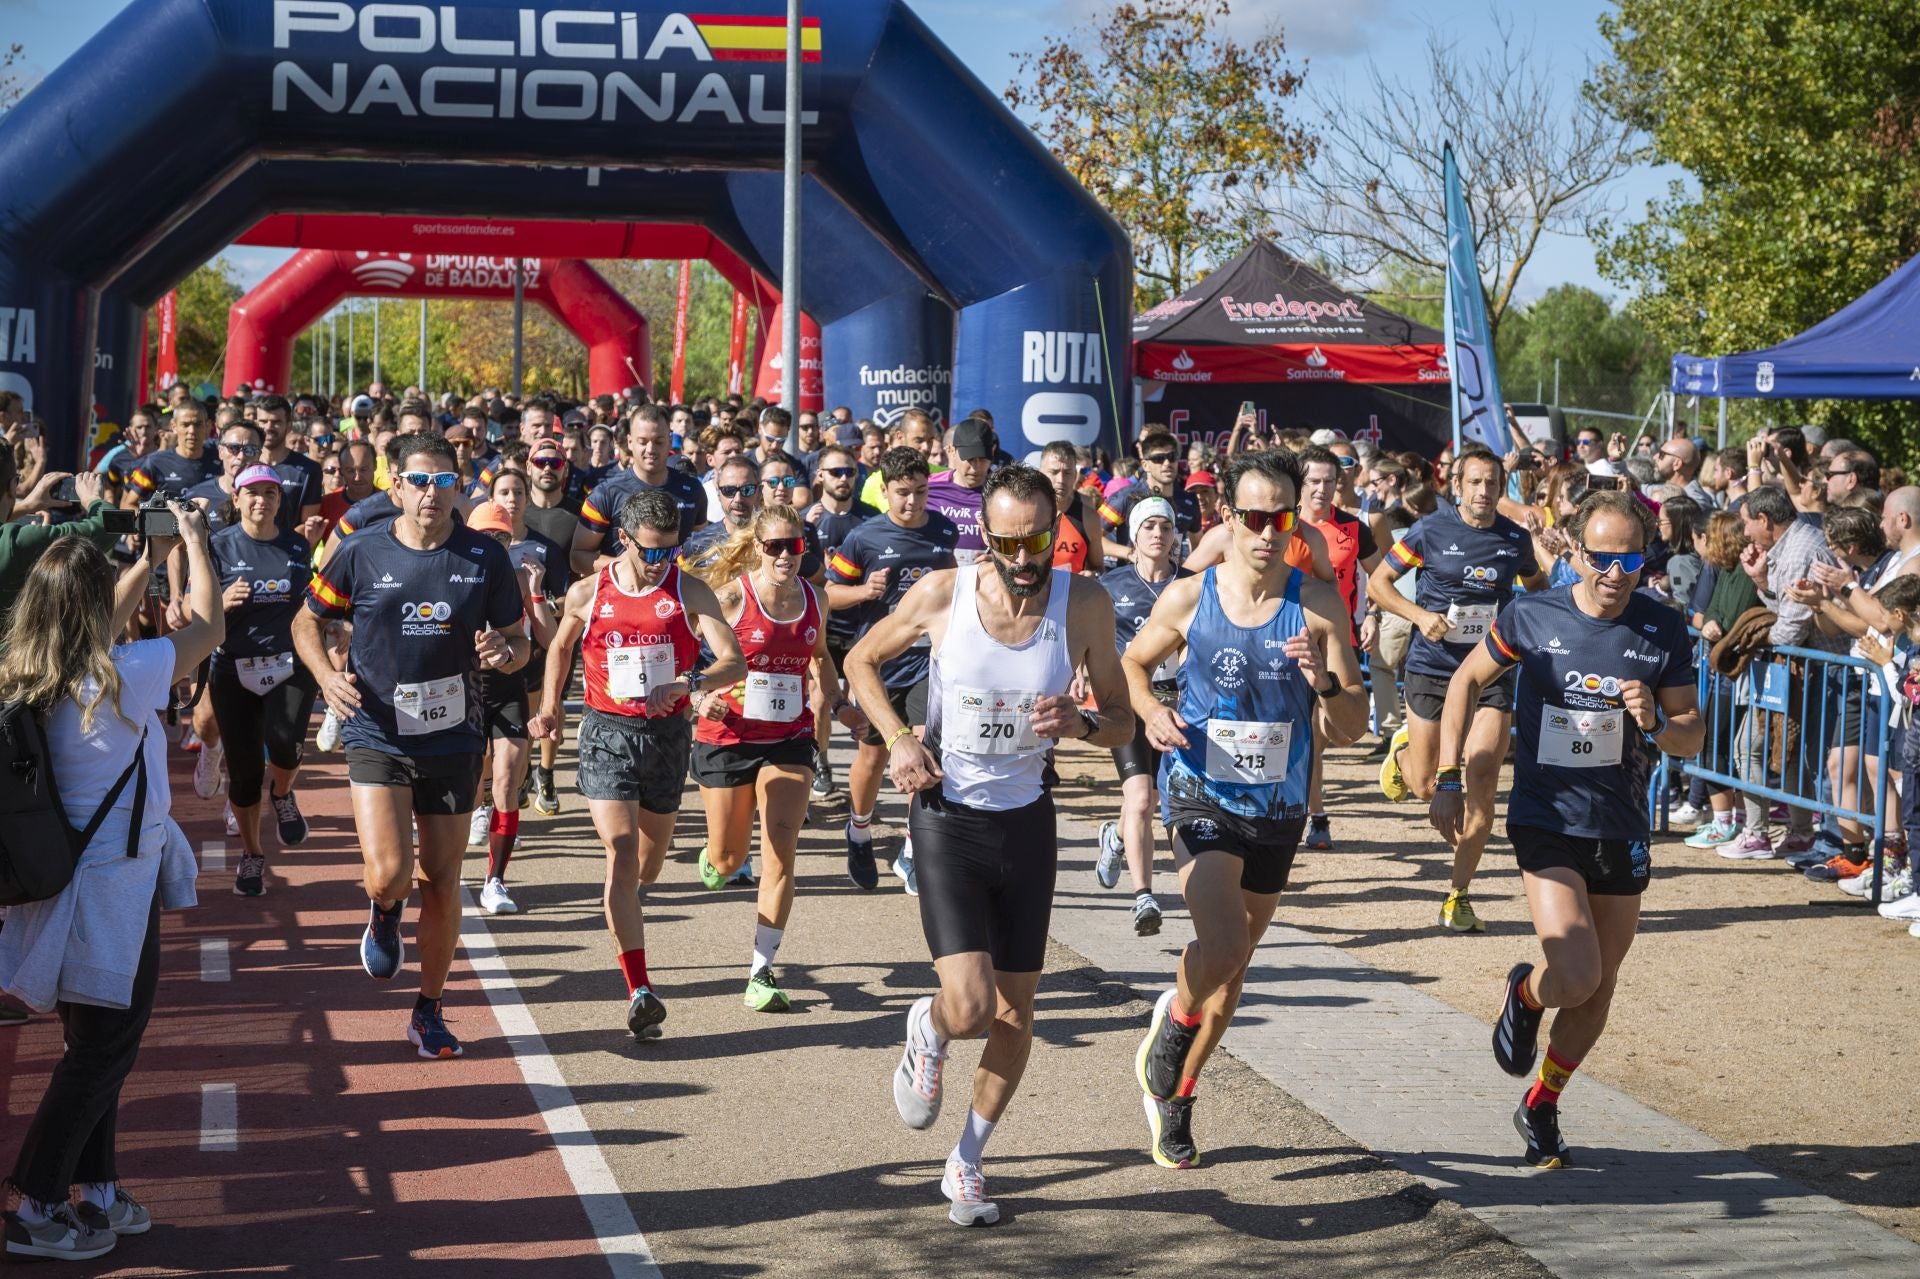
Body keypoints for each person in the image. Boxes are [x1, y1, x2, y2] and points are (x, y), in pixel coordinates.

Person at [846, 464, 1134, 1226]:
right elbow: (859, 661)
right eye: (1006, 539)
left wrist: (1084, 725)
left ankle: (967, 1160)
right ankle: (929, 1027)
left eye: (1036, 537)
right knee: (970, 1005)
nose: (1023, 555)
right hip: (948, 815)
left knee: (1014, 1015)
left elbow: (1123, 721)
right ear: (984, 533)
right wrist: (900, 737)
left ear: (1056, 526)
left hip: (1028, 823)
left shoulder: (1086, 603)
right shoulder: (945, 595)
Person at [1430, 489, 1702, 1169]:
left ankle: (1542, 1104)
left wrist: (1659, 723)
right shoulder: (1532, 613)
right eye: (1602, 557)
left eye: (1631, 558)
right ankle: (1526, 992)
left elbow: (1692, 736)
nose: (1615, 573)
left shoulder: (1662, 628)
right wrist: (1446, 774)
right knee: (1575, 970)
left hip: (1622, 820)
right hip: (1547, 816)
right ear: (1575, 552)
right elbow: (1464, 681)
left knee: (1598, 987)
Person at [1120, 451, 1368, 1171]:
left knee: (1235, 965)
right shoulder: (1190, 597)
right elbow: (1135, 665)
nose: (1266, 531)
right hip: (1200, 789)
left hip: (1279, 806)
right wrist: (1152, 710)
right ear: (1226, 517)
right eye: (1253, 516)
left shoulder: (1319, 605)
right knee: (1222, 943)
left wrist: (1324, 685)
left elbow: (1351, 726)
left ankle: (1180, 1091)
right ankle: (1175, 1016)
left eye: (1280, 517)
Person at [0, 514, 220, 1261]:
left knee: (95, 1040)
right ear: (94, 609)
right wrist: (189, 542)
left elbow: (103, 615)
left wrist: (145, 559)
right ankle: (33, 1201)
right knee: (103, 1050)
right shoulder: (121, 674)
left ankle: (95, 1188)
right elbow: (210, 628)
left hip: (66, 880)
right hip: (111, 893)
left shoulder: (35, 669)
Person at [294, 433, 529, 1060]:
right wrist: (323, 677)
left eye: (444, 481)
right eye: (419, 480)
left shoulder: (484, 557)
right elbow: (306, 619)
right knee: (391, 872)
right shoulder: (361, 551)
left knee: (445, 878)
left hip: (454, 735)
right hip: (376, 729)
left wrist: (506, 652)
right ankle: (383, 909)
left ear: (459, 487)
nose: (431, 492)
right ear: (395, 486)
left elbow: (518, 640)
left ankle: (429, 1010)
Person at [530, 491, 744, 1038]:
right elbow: (559, 647)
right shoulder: (589, 591)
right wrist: (552, 707)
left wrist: (687, 683)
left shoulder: (687, 589)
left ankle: (628, 901)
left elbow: (732, 661)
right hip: (606, 733)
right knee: (621, 851)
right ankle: (640, 989)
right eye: (652, 553)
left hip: (667, 737)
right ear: (623, 541)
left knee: (646, 866)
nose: (661, 563)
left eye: (670, 552)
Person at [685, 506, 866, 1011]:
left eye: (795, 545)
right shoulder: (731, 597)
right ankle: (714, 857)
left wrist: (842, 705)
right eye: (775, 546)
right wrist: (699, 697)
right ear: (758, 548)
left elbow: (821, 657)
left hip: (789, 737)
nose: (786, 554)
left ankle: (761, 972)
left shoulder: (817, 599)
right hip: (728, 732)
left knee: (781, 853)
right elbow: (684, 653)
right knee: (727, 860)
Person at [1369, 445, 1545, 931]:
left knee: (1484, 773)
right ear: (1457, 486)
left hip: (1490, 670)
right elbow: (1379, 584)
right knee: (1430, 786)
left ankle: (1458, 894)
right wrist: (1421, 617)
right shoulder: (1431, 530)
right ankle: (1404, 756)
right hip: (1433, 668)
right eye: (1475, 483)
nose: (1485, 492)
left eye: (1492, 483)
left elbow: (1536, 584)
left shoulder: (1513, 539)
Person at [827, 447, 960, 892]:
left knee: (925, 749)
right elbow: (829, 593)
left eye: (921, 492)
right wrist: (865, 591)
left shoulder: (943, 530)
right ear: (884, 491)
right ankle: (859, 829)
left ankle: (912, 848)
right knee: (874, 755)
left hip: (928, 661)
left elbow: (951, 583)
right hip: (878, 664)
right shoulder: (864, 537)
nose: (913, 502)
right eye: (903, 493)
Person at [206, 466, 322, 897]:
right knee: (243, 772)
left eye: (270, 493)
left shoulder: (296, 545)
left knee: (287, 745)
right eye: (252, 493)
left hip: (289, 664)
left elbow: (310, 602)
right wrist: (220, 601)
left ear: (279, 499)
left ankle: (284, 792)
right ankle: (252, 854)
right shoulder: (217, 546)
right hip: (233, 668)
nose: (262, 501)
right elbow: (192, 611)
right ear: (236, 499)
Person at [465, 485, 563, 916]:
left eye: (501, 539)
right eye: (485, 538)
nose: (494, 546)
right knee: (467, 784)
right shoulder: (453, 574)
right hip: (461, 690)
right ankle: (446, 858)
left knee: (507, 779)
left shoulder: (522, 575)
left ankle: (495, 880)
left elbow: (551, 639)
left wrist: (537, 592)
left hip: (508, 687)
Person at [1093, 497, 1186, 935]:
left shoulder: (1192, 585)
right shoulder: (1111, 586)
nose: (1157, 534)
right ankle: (1143, 896)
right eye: (1148, 526)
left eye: (1165, 526)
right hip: (1129, 702)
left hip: (1178, 707)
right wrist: (1079, 673)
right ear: (1134, 534)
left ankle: (1116, 838)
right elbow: (1087, 635)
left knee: (1157, 799)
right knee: (1143, 798)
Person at [1289, 445, 1383, 849]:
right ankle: (1315, 815)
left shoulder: (1353, 528)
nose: (1323, 489)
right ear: (1300, 483)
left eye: (1330, 481)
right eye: (1314, 481)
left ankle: (1310, 810)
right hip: (1286, 636)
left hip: (1336, 639)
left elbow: (1380, 577)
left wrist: (1374, 614)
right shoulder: (1282, 526)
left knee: (1331, 732)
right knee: (1301, 730)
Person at [804, 442, 880, 797]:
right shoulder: (806, 521)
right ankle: (821, 760)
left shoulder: (869, 520)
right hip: (824, 625)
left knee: (865, 701)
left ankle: (866, 773)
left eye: (850, 472)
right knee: (820, 700)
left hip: (865, 626)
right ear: (820, 476)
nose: (844, 478)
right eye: (836, 472)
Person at [572, 405, 708, 576]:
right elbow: (578, 557)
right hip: (622, 596)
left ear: (669, 440)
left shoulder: (693, 490)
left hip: (678, 596)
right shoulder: (606, 493)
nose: (650, 449)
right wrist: (629, 564)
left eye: (658, 441)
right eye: (642, 442)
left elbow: (703, 548)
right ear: (630, 442)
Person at [924, 417, 994, 564]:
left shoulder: (1004, 492)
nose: (975, 468)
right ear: (952, 451)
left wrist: (999, 561)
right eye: (969, 459)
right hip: (938, 580)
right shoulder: (928, 486)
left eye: (982, 459)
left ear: (992, 452)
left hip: (984, 581)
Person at [1038, 441, 1105, 574]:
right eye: (1054, 472)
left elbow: (1098, 568)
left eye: (1067, 473)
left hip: (1072, 593)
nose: (1061, 480)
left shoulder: (1089, 517)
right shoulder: (1025, 512)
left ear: (1075, 475)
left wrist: (1092, 576)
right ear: (1040, 474)